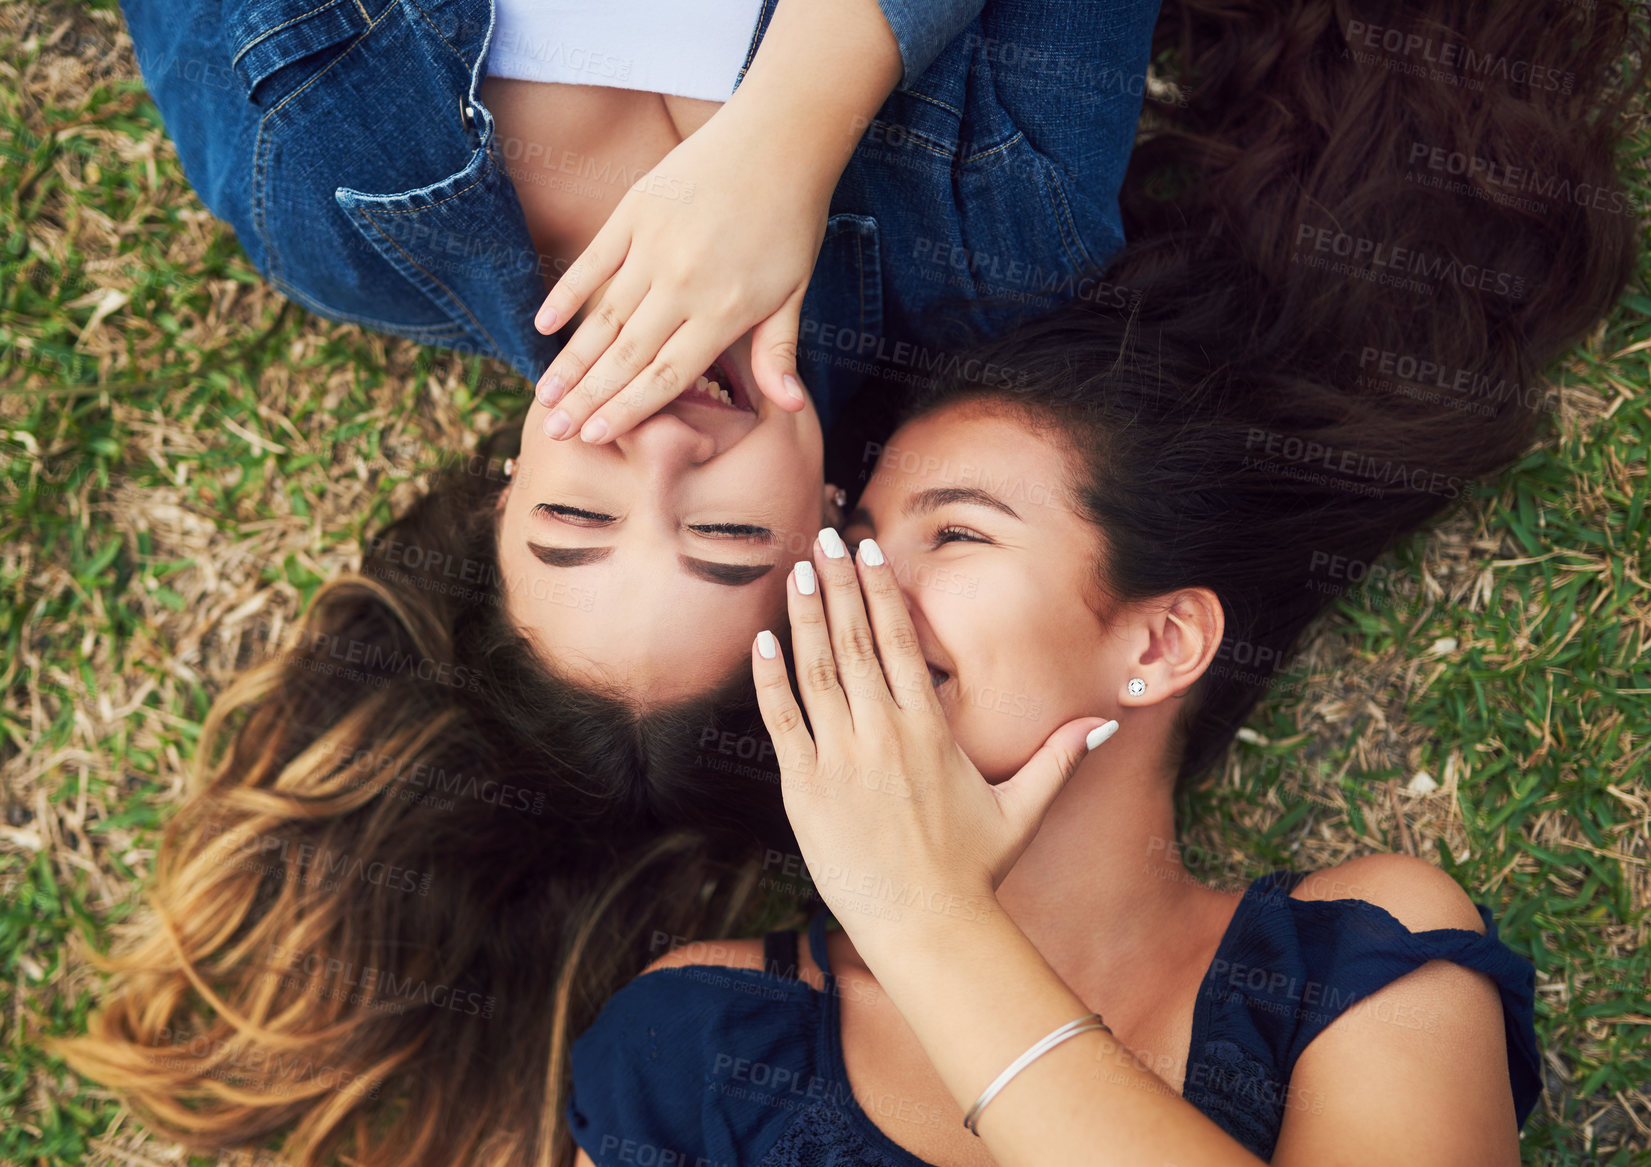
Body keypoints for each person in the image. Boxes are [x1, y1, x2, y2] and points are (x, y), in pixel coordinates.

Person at [59, 1, 1164, 1164]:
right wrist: (792, 127)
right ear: (836, 536)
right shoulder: (994, 243)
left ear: (502, 496)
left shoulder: (326, 197)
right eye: (729, 536)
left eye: (574, 518)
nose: (659, 446)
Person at [559, 0, 1651, 1162]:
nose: (866, 590)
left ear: (1158, 643)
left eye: (959, 535)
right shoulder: (696, 1046)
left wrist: (922, 917)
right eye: (861, 539)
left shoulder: (1357, 962)